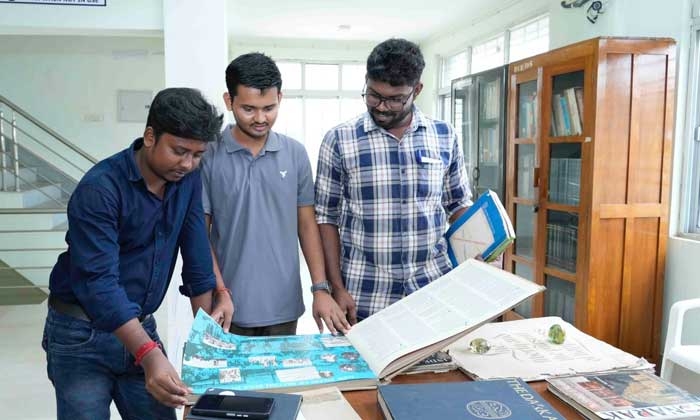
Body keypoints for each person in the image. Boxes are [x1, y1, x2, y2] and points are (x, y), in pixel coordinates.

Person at [42, 87, 232, 420]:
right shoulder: (100, 189)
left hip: (140, 326)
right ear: (149, 136)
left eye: (198, 154)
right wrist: (148, 353)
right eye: (179, 151)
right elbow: (99, 283)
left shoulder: (187, 178)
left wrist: (206, 336)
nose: (188, 164)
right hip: (80, 335)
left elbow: (197, 252)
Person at [315, 38, 472, 324]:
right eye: (374, 95)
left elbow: (458, 202)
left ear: (417, 90)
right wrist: (335, 287)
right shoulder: (339, 140)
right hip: (364, 293)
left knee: (438, 370)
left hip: (434, 288)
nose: (382, 107)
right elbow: (326, 217)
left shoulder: (444, 135)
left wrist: (482, 247)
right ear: (366, 81)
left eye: (395, 99)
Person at [201, 52, 350, 337]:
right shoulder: (209, 154)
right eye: (249, 109)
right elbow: (199, 232)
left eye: (269, 108)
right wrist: (218, 290)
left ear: (280, 98)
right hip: (227, 305)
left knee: (279, 382)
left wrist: (320, 289)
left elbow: (307, 226)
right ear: (228, 100)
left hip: (283, 305)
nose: (260, 118)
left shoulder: (295, 154)